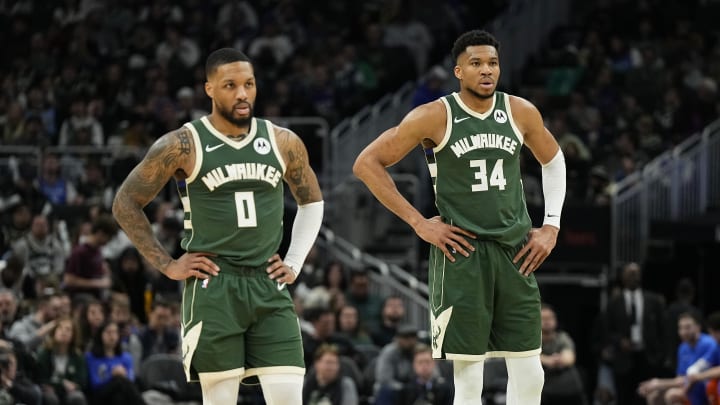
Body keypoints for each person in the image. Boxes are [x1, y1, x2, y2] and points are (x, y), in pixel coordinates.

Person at [353, 29, 566, 405]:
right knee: (469, 379)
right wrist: (419, 222)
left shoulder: (520, 111)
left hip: (516, 252)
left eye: (493, 63)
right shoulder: (433, 116)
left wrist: (551, 224)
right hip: (462, 255)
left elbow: (553, 159)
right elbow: (366, 163)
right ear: (458, 72)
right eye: (476, 64)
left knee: (531, 373)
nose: (487, 71)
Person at [111, 48, 324, 405]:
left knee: (289, 397)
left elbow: (312, 201)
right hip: (214, 285)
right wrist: (168, 264)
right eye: (230, 85)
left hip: (268, 284)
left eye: (249, 84)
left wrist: (295, 260)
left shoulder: (282, 140)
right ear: (209, 89)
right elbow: (125, 203)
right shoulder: (181, 144)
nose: (242, 94)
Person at [637, 312, 715, 405]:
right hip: (688, 386)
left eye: (687, 327)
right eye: (680, 328)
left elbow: (693, 377)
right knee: (654, 395)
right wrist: (656, 384)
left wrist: (658, 383)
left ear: (698, 327)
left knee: (672, 395)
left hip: (704, 387)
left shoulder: (709, 344)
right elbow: (680, 378)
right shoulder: (682, 348)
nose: (683, 332)